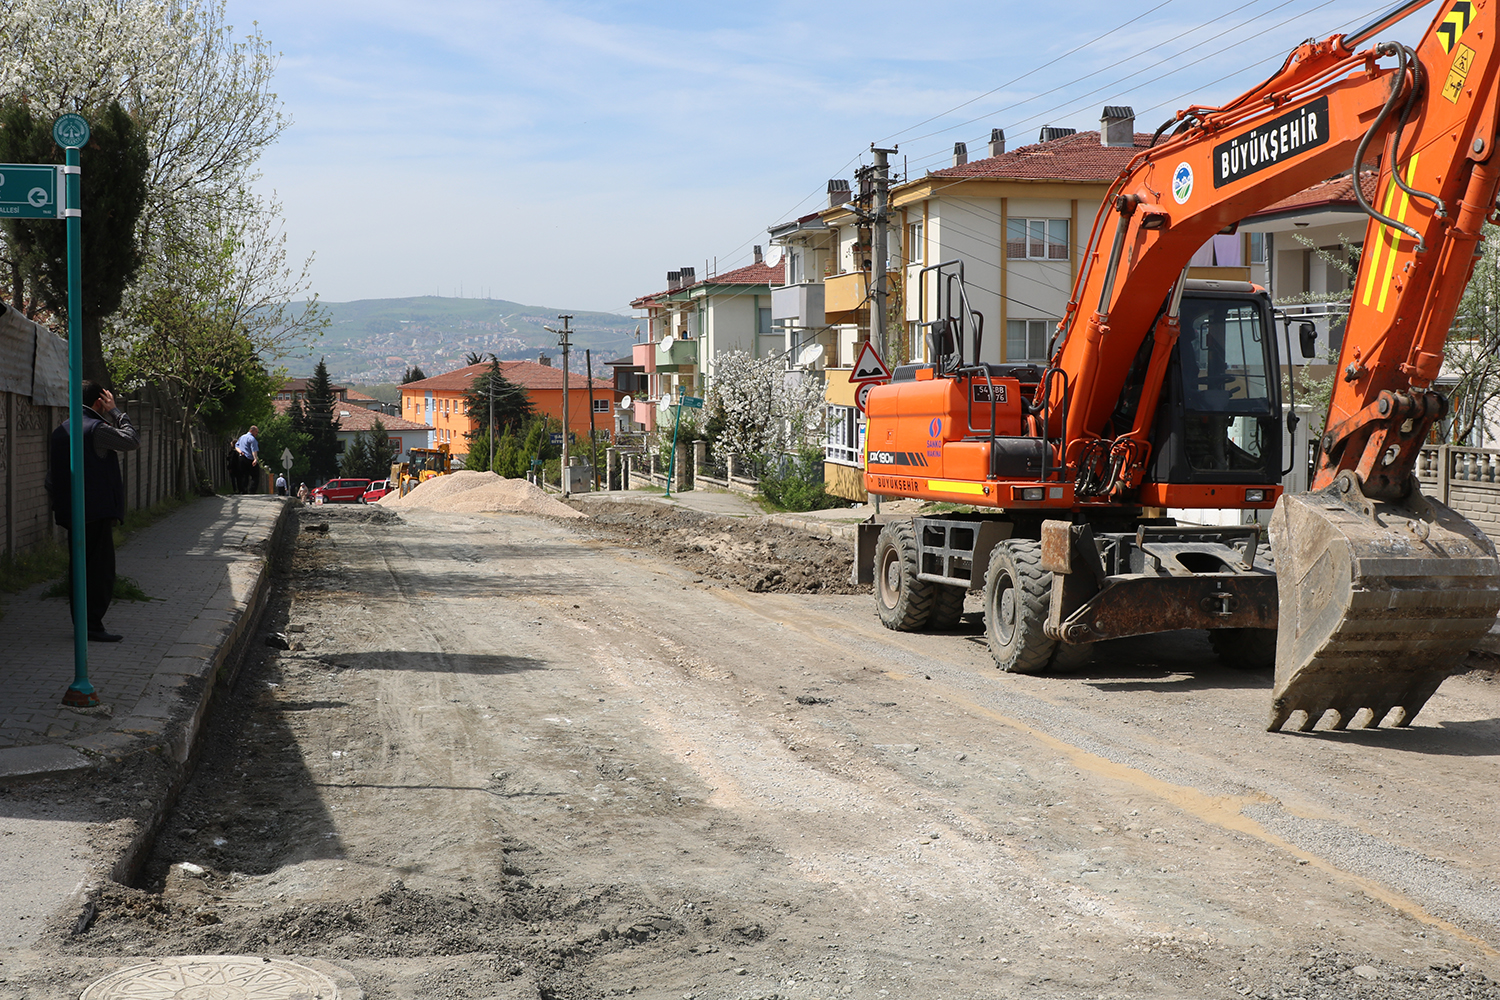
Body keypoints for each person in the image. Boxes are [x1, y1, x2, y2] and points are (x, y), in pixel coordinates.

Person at [46, 381, 140, 643]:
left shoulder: (60, 431)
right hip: (96, 511)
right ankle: (92, 627)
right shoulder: (96, 429)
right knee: (100, 571)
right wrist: (117, 412)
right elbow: (132, 441)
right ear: (100, 400)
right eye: (107, 399)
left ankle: (82, 624)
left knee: (79, 568)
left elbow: (50, 478)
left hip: (72, 512)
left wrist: (64, 501)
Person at [233, 425, 260, 493]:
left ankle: (243, 490)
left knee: (243, 475)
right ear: (251, 431)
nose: (257, 434)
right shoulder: (252, 439)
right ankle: (252, 490)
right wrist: (255, 459)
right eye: (256, 432)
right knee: (255, 475)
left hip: (241, 458)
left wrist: (240, 452)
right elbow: (254, 450)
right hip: (249, 459)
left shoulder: (242, 437)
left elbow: (236, 446)